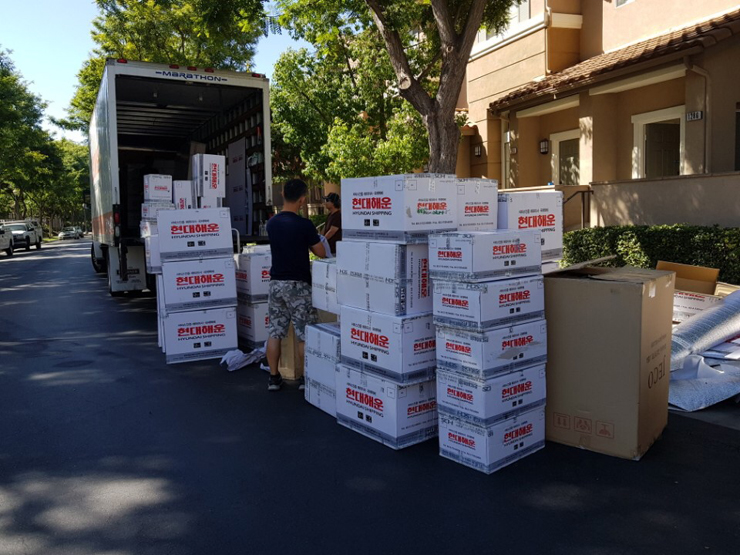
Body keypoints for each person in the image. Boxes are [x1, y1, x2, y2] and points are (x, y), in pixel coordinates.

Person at [265, 179, 327, 391]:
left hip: (276, 283)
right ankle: (305, 379)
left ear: (282, 194)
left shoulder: (272, 223)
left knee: (275, 332)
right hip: (298, 285)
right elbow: (321, 252)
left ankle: (274, 378)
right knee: (304, 334)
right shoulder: (304, 225)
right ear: (302, 199)